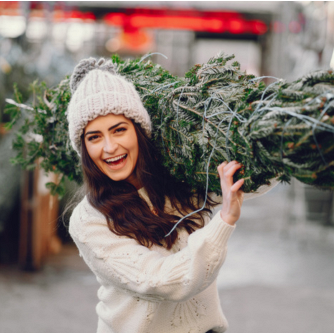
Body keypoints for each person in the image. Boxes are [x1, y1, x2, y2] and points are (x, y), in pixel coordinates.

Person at [68, 57, 245, 333]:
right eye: (94, 137)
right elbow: (160, 281)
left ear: (139, 130)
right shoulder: (89, 220)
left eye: (119, 130)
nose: (109, 147)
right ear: (84, 148)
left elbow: (255, 178)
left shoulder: (180, 181)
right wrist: (224, 221)